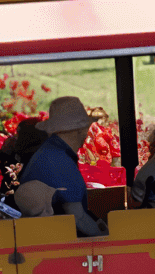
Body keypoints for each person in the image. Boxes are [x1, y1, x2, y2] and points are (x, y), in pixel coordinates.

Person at [17, 96, 100, 236]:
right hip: (53, 245)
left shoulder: (51, 152)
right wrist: (108, 239)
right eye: (86, 127)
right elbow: (77, 217)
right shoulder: (58, 160)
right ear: (79, 130)